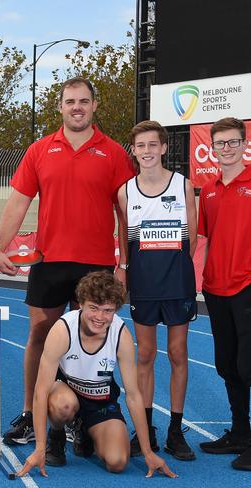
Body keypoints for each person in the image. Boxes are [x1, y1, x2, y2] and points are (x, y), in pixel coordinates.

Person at [0, 78, 135, 444]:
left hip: (97, 263)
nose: (77, 107)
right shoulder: (39, 150)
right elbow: (18, 202)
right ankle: (30, 412)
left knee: (91, 339)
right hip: (49, 260)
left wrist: (124, 264)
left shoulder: (115, 154)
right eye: (70, 101)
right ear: (60, 107)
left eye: (83, 101)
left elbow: (126, 213)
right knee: (40, 337)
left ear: (94, 106)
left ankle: (80, 417)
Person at [16, 271, 176, 478]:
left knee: (118, 463)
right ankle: (56, 436)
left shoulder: (121, 335)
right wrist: (39, 448)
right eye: (94, 308)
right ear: (81, 303)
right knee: (62, 404)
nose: (100, 317)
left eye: (107, 310)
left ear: (116, 310)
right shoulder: (63, 330)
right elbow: (41, 391)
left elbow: (134, 395)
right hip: (66, 394)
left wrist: (147, 451)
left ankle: (84, 430)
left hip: (100, 401)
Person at [117, 120, 197, 460]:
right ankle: (144, 427)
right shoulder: (125, 191)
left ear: (164, 148)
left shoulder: (183, 185)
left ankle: (175, 432)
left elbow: (190, 240)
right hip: (144, 283)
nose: (147, 151)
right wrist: (125, 268)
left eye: (153, 145)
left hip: (177, 281)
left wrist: (174, 267)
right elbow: (124, 238)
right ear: (133, 151)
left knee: (178, 354)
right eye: (141, 146)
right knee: (145, 355)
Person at [197, 117, 251, 471]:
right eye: (221, 143)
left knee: (249, 366)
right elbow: (203, 239)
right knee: (228, 365)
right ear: (212, 148)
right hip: (215, 288)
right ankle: (240, 432)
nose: (227, 149)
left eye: (233, 142)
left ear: (245, 144)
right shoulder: (209, 190)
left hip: (247, 286)